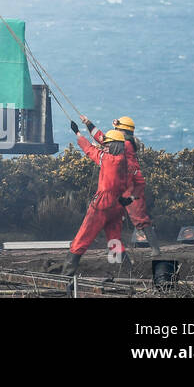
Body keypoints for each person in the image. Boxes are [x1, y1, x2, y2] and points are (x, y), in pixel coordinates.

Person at [81, 114, 161, 256]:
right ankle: (115, 248)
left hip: (129, 186)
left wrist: (89, 128)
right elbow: (104, 140)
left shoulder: (126, 144)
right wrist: (88, 123)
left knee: (139, 218)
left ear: (122, 131)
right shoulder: (126, 143)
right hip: (123, 183)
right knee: (115, 217)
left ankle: (155, 249)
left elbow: (103, 140)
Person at [64, 122, 130, 276]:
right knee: (115, 240)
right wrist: (88, 124)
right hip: (117, 205)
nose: (104, 147)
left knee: (82, 238)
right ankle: (127, 273)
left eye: (107, 145)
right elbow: (101, 144)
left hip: (102, 204)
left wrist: (78, 134)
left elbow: (89, 150)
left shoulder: (107, 160)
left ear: (113, 146)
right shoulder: (123, 158)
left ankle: (67, 275)